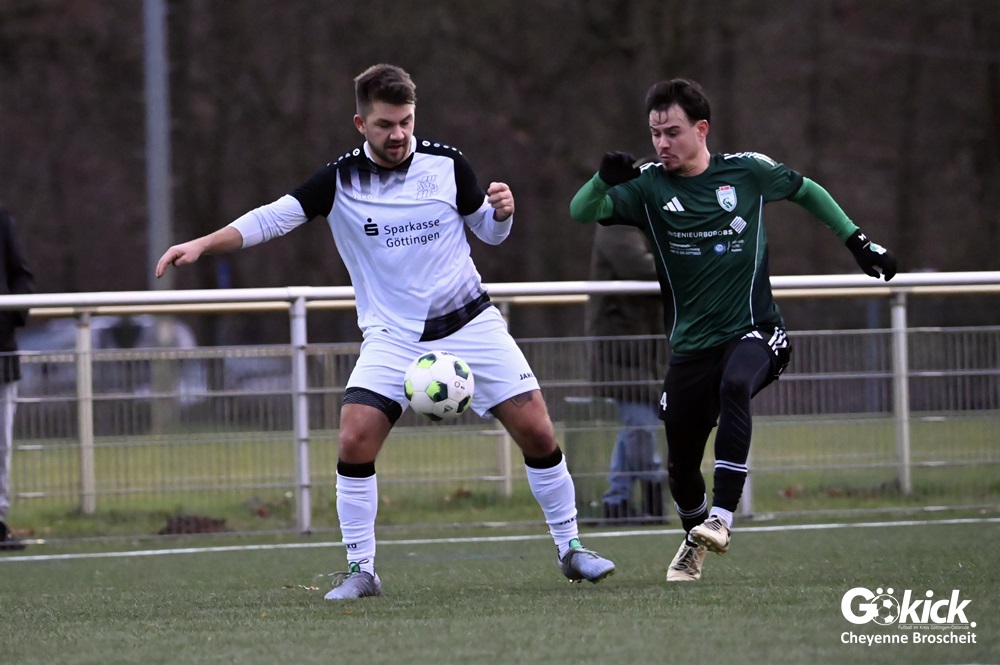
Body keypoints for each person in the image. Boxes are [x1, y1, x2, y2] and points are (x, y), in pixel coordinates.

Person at [156, 63, 615, 597]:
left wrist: (503, 214)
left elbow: (489, 234)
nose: (398, 134)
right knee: (354, 436)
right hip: (394, 338)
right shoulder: (339, 180)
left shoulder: (448, 165)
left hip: (471, 323)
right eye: (384, 124)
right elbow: (271, 219)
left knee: (537, 430)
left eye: (405, 122)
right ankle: (362, 570)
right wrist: (202, 244)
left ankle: (571, 548)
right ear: (361, 123)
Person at [569, 78, 897, 582]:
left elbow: (807, 191)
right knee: (680, 466)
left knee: (736, 382)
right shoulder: (648, 187)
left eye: (673, 132)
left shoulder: (747, 171)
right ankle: (696, 537)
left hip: (757, 330)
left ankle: (722, 517)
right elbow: (581, 211)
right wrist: (601, 181)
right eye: (655, 133)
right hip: (690, 348)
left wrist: (858, 242)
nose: (662, 143)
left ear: (701, 129)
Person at [586, 223, 667, 524]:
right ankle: (651, 491)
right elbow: (639, 267)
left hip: (642, 348)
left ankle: (616, 501)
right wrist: (686, 262)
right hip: (622, 348)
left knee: (636, 425)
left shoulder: (647, 221)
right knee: (640, 424)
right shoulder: (616, 222)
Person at [0, 204, 35, 551]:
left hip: (1, 352)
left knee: (1, 444)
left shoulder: (1, 218)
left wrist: (9, 318)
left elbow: (21, 276)